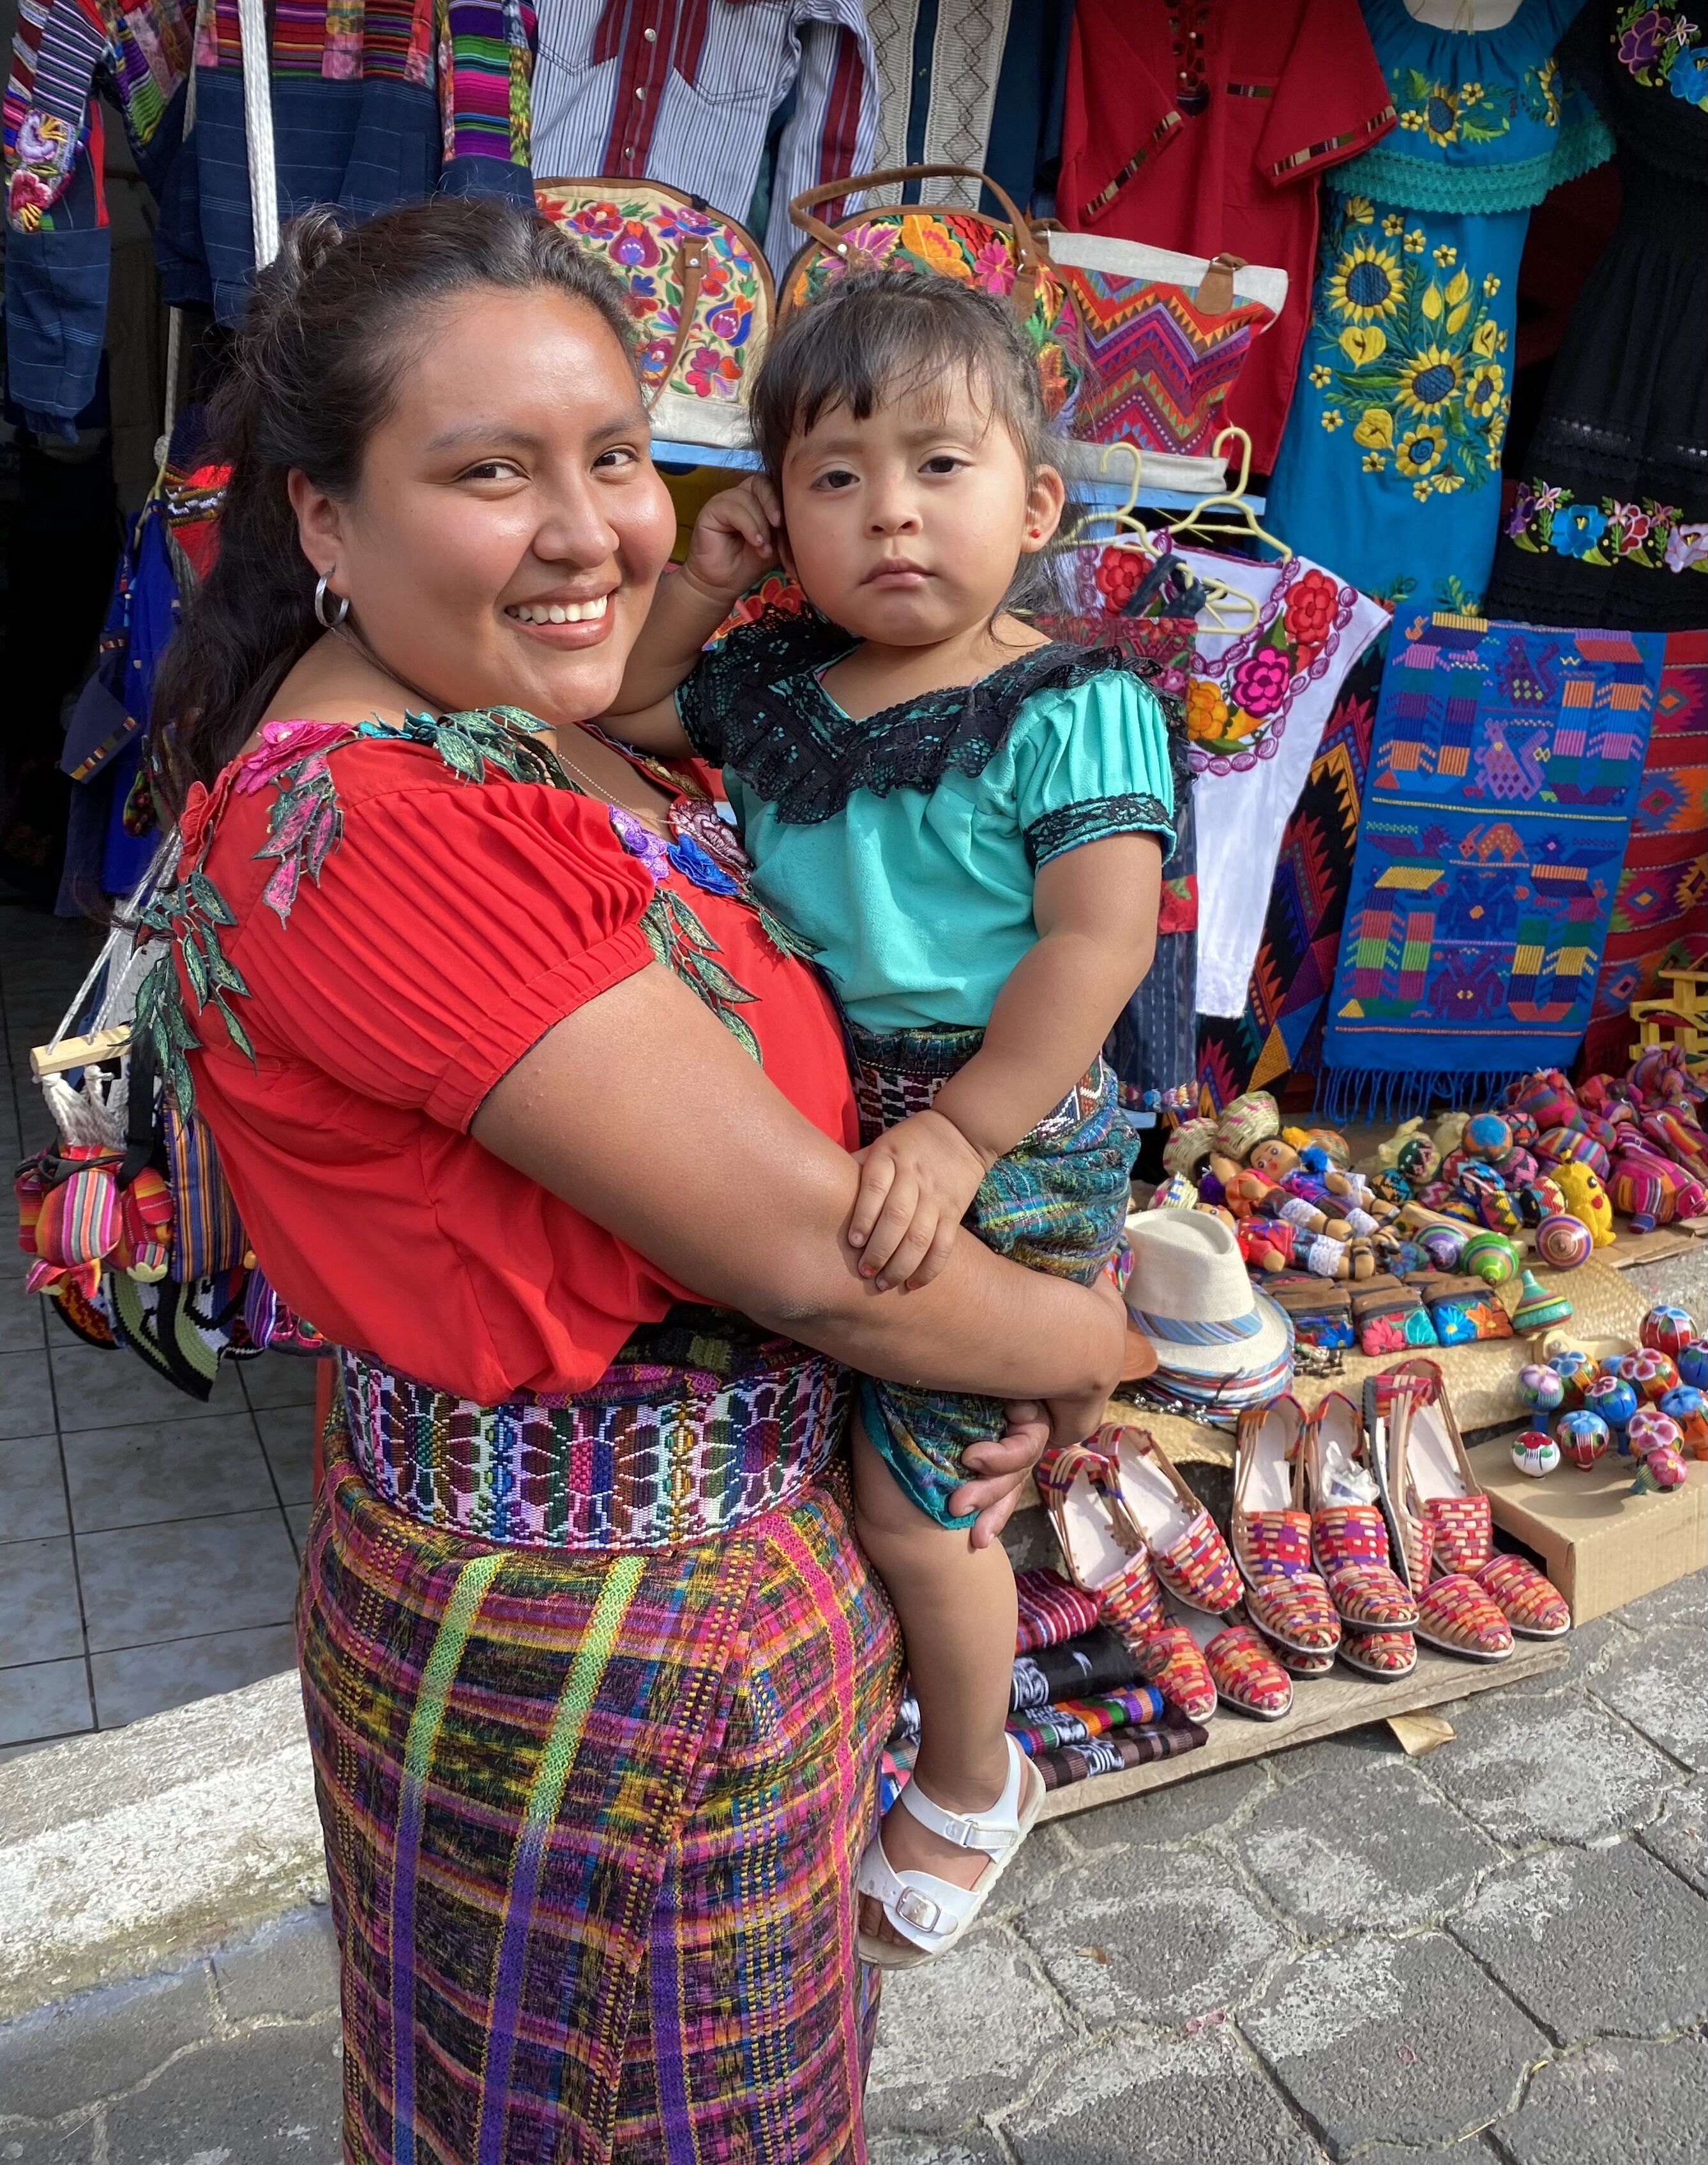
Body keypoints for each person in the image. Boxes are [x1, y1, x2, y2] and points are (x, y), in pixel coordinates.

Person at [142, 202, 1124, 2164]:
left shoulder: (539, 733)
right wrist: (1092, 1344)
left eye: (614, 454)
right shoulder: (400, 825)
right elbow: (816, 1265)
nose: (590, 527)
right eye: (491, 471)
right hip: (617, 1670)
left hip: (679, 1614)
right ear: (324, 519)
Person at [602, 269, 1174, 1964]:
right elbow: (615, 710)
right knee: (845, 1405)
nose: (891, 516)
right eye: (834, 479)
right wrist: (702, 585)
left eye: (939, 466)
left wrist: (959, 1136)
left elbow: (1095, 943)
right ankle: (1039, 1461)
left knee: (908, 1500)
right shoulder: (773, 680)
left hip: (1006, 1118)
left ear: (1036, 500)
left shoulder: (1069, 696)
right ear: (778, 511)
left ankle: (978, 1776)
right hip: (828, 1112)